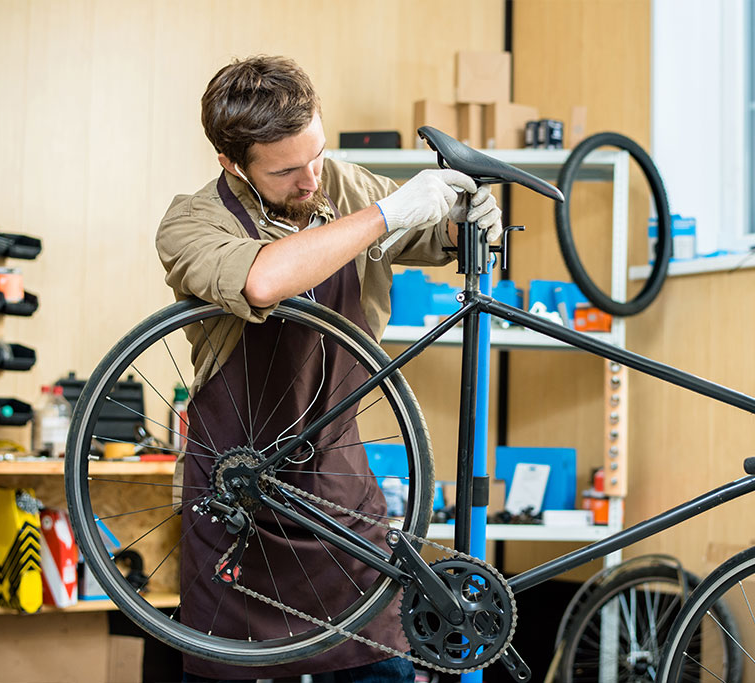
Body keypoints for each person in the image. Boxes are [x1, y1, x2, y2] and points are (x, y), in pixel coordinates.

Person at [155, 55, 502, 683]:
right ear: (232, 163)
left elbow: (438, 238)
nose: (311, 180)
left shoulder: (344, 185)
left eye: (317, 153)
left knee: (378, 665)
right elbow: (262, 280)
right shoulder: (192, 223)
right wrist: (388, 213)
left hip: (338, 490)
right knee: (227, 668)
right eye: (286, 170)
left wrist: (470, 222)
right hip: (236, 494)